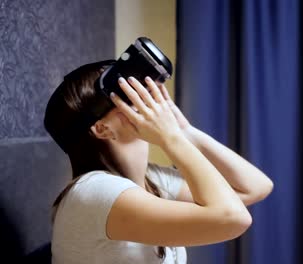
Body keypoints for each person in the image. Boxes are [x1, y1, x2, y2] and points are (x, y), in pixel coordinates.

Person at [43, 60, 274, 264]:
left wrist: (185, 131)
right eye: (128, 97)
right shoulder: (95, 191)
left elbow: (255, 187)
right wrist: (170, 137)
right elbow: (233, 219)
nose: (145, 101)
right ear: (102, 129)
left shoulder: (152, 179)